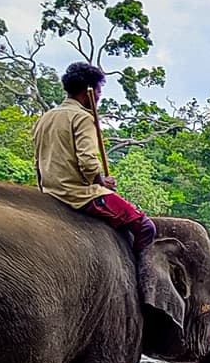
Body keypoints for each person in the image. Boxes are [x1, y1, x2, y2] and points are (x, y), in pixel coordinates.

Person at [33, 62, 156, 257]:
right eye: (99, 90)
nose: (99, 96)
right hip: (79, 194)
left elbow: (38, 162)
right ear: (89, 91)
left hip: (49, 190)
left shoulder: (45, 118)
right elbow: (88, 161)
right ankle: (137, 275)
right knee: (145, 227)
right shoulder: (82, 117)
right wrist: (102, 182)